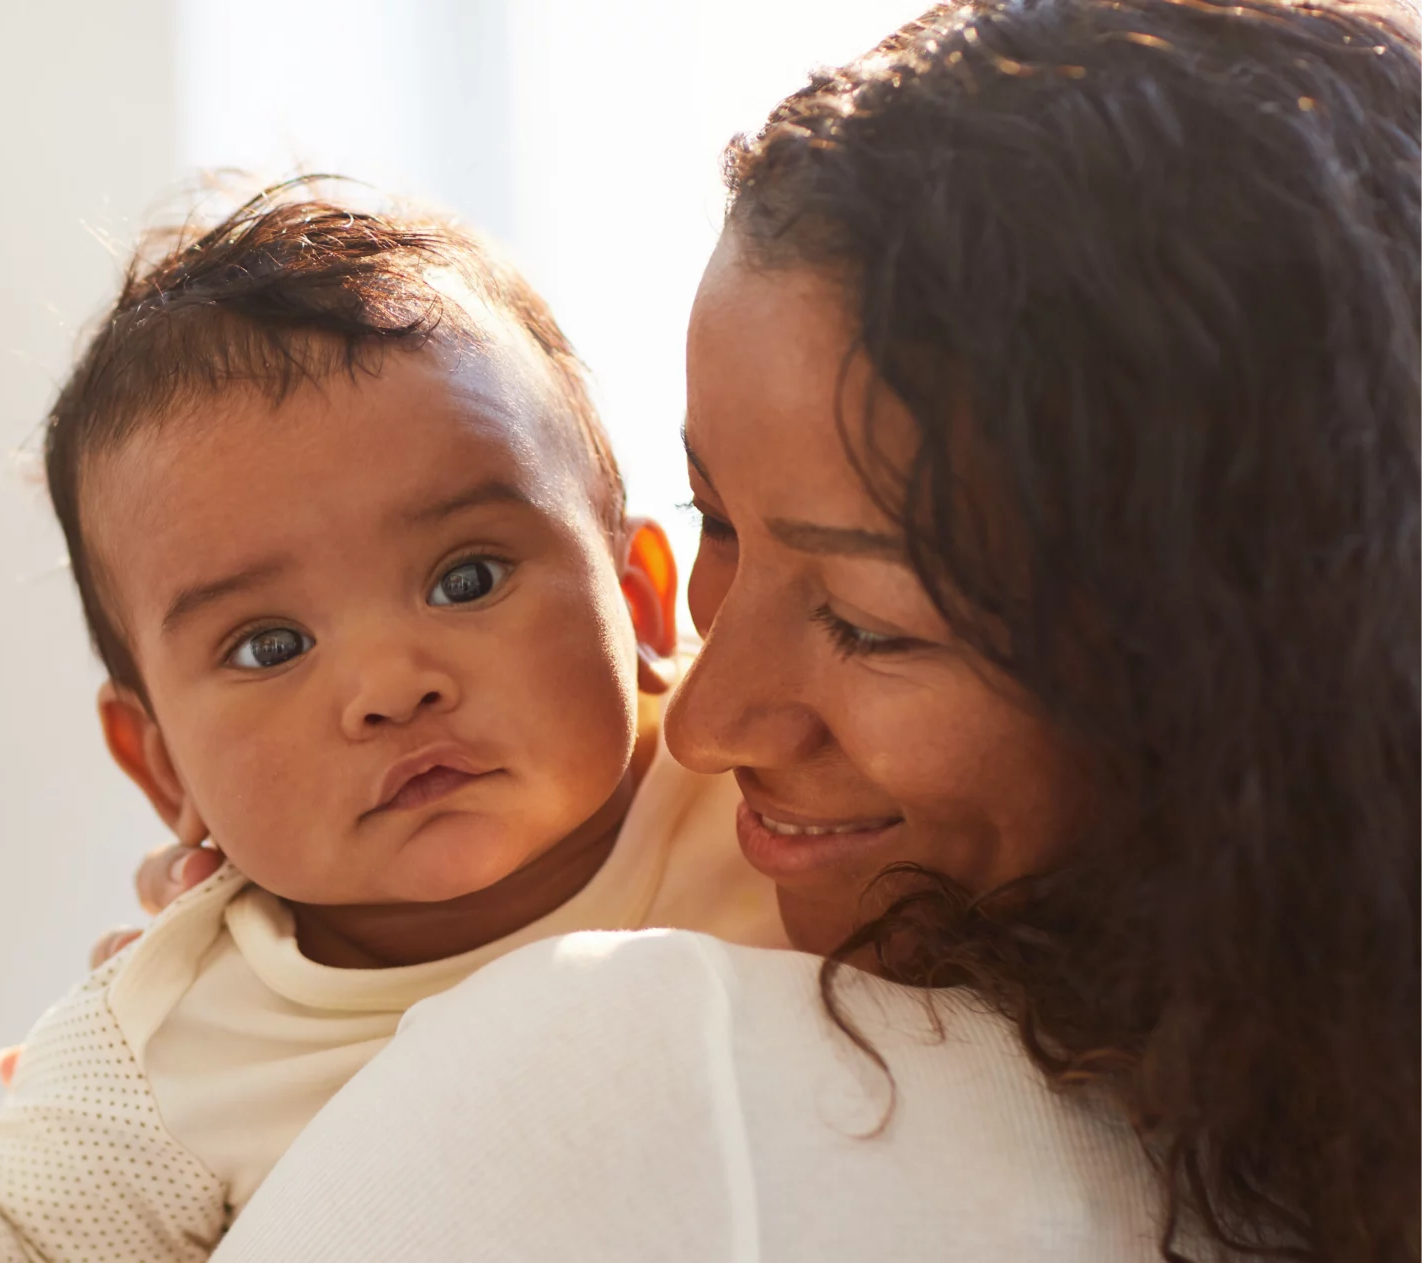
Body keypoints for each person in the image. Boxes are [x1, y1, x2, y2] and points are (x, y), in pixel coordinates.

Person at [130, 2, 1418, 1259]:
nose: (697, 717)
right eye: (717, 524)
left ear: (1248, 679)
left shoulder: (636, 1061)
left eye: (868, 625)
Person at [0, 187, 784, 1263]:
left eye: (465, 578)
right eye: (269, 646)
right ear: (161, 765)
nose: (388, 686)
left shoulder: (766, 787)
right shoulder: (172, 1029)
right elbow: (8, 1220)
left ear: (638, 601)